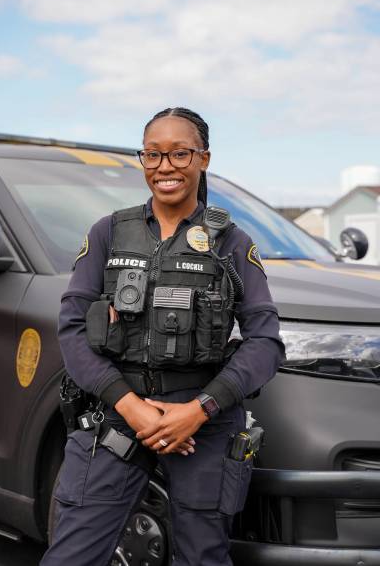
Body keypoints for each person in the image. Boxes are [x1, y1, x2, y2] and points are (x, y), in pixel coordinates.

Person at [40, 107, 284, 566]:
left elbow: (266, 340)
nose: (165, 167)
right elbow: (71, 328)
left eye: (179, 153)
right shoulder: (109, 232)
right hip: (116, 415)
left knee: (202, 559)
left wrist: (199, 410)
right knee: (70, 557)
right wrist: (130, 407)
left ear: (203, 159)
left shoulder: (230, 242)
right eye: (153, 155)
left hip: (202, 423)